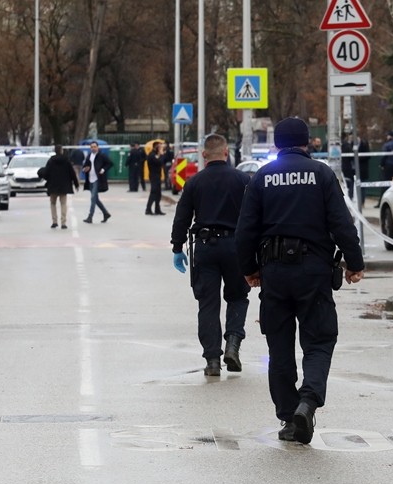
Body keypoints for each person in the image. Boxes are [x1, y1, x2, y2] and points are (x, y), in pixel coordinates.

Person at [235, 117, 365, 445]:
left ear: (276, 144)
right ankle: (308, 402)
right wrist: (354, 263)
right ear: (307, 142)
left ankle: (288, 417)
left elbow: (245, 230)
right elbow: (342, 224)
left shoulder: (262, 176)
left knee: (279, 346)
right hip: (314, 271)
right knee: (319, 340)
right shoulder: (322, 174)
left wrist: (249, 269)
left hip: (274, 273)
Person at [171, 133, 251, 377]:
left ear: (204, 155)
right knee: (238, 297)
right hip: (236, 247)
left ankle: (213, 360)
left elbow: (182, 217)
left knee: (208, 304)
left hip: (206, 247)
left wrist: (177, 247)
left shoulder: (194, 182)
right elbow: (254, 216)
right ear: (226, 152)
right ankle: (233, 344)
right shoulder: (242, 180)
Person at [39, 146, 79, 229]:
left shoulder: (51, 160)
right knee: (63, 203)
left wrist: (43, 175)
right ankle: (63, 222)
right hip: (64, 186)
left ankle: (54, 222)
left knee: (53, 203)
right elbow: (72, 173)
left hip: (53, 185)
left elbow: (46, 172)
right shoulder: (66, 160)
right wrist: (76, 184)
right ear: (61, 151)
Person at [81, 141, 112, 224]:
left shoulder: (102, 155)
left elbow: (109, 163)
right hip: (90, 179)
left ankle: (90, 216)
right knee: (95, 199)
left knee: (93, 197)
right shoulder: (89, 155)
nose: (93, 148)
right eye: (91, 147)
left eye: (94, 147)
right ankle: (106, 213)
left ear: (98, 147)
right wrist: (84, 169)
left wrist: (103, 169)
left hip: (98, 179)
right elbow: (85, 165)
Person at [340, 130, 370, 207]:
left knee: (362, 185)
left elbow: (368, 155)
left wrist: (357, 158)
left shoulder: (364, 143)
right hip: (351, 169)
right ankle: (351, 199)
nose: (352, 138)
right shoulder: (349, 144)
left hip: (361, 168)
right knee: (350, 184)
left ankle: (362, 202)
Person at [145, 141, 167, 216]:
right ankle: (148, 209)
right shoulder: (152, 155)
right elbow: (159, 162)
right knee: (154, 192)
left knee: (158, 193)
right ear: (155, 147)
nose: (161, 148)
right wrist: (162, 155)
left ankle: (157, 209)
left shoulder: (156, 155)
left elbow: (163, 161)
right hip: (154, 176)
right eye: (159, 147)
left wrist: (162, 155)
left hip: (157, 175)